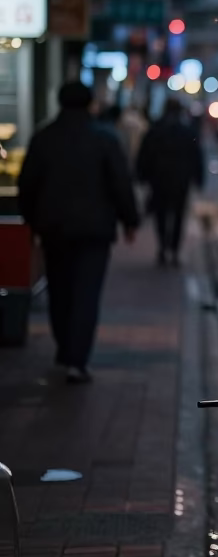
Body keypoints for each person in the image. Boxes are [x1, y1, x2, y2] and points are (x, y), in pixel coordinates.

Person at [17, 81, 139, 383]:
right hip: (95, 229)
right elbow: (120, 183)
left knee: (59, 290)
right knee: (87, 293)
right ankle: (78, 359)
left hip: (53, 229)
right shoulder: (104, 138)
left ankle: (65, 348)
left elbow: (27, 184)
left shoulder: (44, 137)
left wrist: (30, 222)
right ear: (89, 104)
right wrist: (129, 220)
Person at [136, 98, 205, 266]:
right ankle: (174, 250)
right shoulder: (188, 131)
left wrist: (142, 175)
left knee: (160, 214)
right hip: (181, 180)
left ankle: (162, 247)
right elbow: (196, 155)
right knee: (178, 215)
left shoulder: (155, 129)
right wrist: (198, 177)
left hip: (159, 179)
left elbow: (144, 154)